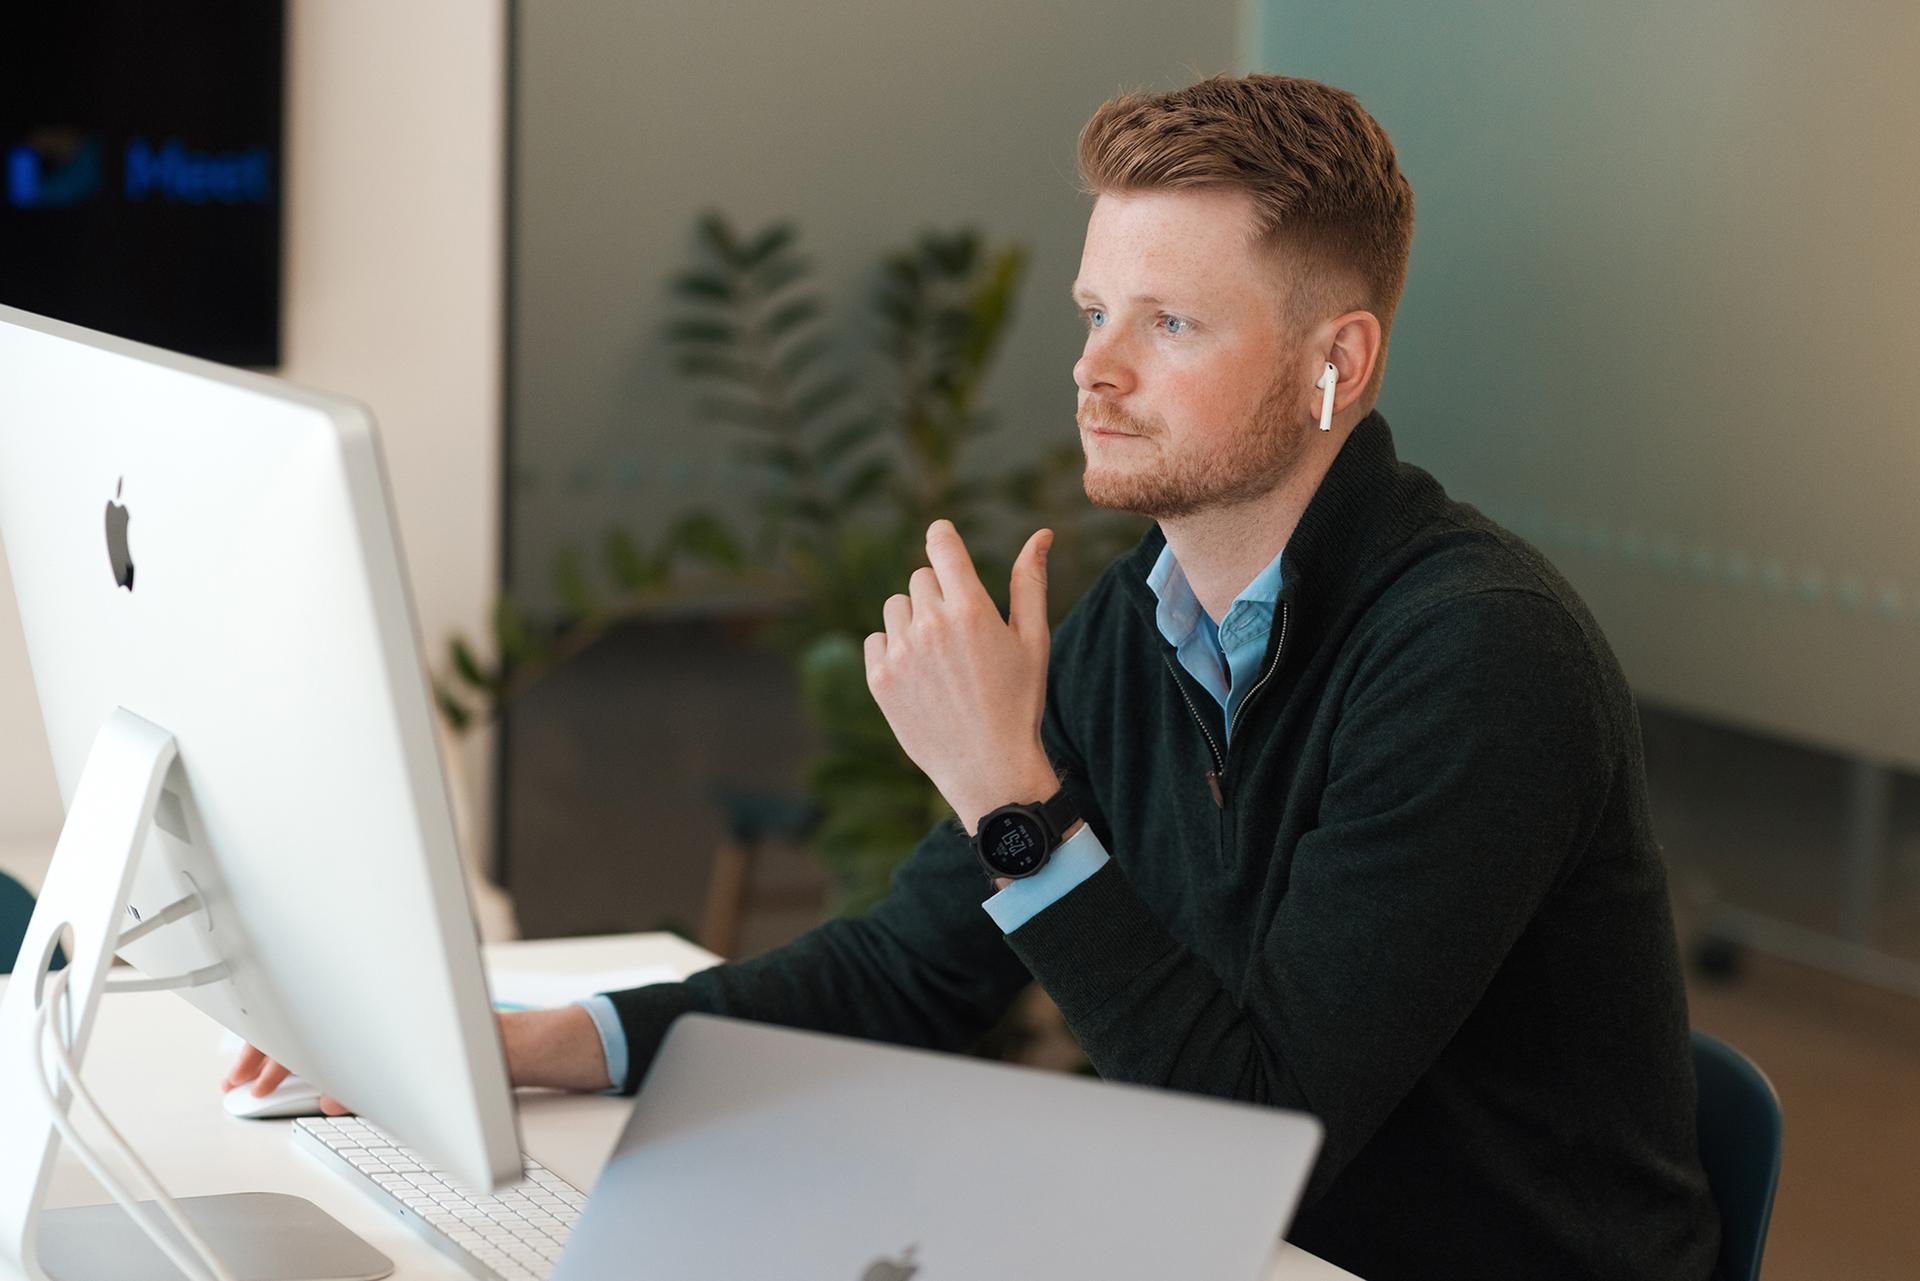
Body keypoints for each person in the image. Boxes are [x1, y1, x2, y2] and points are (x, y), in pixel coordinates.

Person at [228, 73, 1720, 1281]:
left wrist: (1013, 796)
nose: (1094, 370)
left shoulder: (1475, 654)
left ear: (1340, 362)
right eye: (1093, 314)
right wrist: (536, 1043)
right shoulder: (1135, 626)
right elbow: (909, 970)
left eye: (1171, 322)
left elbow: (1261, 1129)